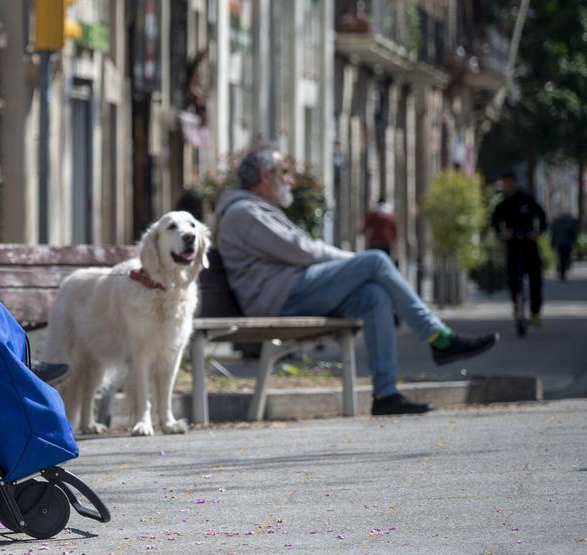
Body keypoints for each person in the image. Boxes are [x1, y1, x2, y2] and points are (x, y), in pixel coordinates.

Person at [215, 146, 498, 416]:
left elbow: (300, 250)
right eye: (285, 172)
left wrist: (355, 263)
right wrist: (354, 260)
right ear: (266, 176)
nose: (291, 180)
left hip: (291, 292)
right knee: (374, 260)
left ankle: (385, 395)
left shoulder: (256, 210)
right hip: (278, 300)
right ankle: (438, 337)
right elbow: (304, 251)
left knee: (375, 296)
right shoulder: (246, 213)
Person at [491, 172, 547, 325]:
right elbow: (495, 222)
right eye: (505, 183)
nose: (507, 186)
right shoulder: (502, 204)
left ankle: (535, 312)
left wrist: (538, 232)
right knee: (513, 278)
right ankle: (517, 305)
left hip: (529, 244)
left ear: (515, 183)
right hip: (513, 246)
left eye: (510, 183)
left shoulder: (526, 199)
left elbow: (541, 215)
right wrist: (502, 233)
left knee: (535, 279)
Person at [550, 210, 578, 282]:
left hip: (560, 243)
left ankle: (562, 271)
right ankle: (565, 269)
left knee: (561, 257)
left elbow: (553, 234)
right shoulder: (569, 223)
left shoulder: (557, 223)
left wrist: (552, 243)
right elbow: (572, 233)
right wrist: (574, 241)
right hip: (567, 243)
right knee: (566, 257)